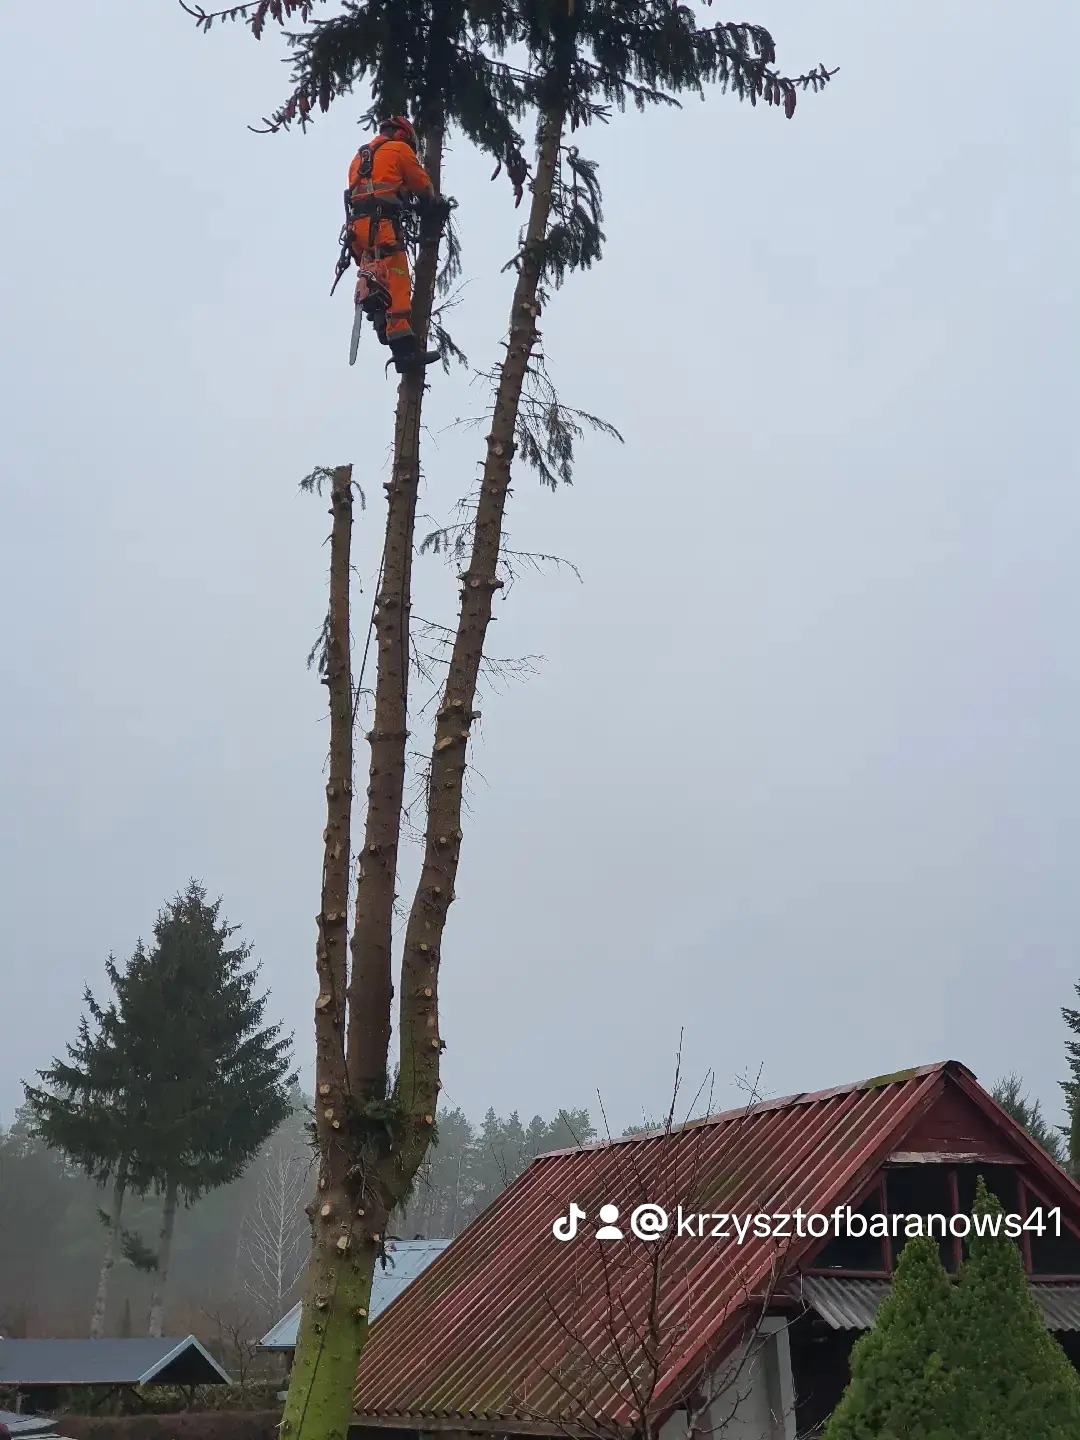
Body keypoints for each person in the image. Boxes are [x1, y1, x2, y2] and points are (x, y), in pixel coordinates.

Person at [347, 115, 442, 373]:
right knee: (397, 279)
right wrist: (433, 203)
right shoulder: (400, 150)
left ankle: (380, 319)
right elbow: (422, 185)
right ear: (403, 135)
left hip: (358, 232)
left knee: (376, 275)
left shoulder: (360, 156)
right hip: (382, 227)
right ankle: (404, 352)